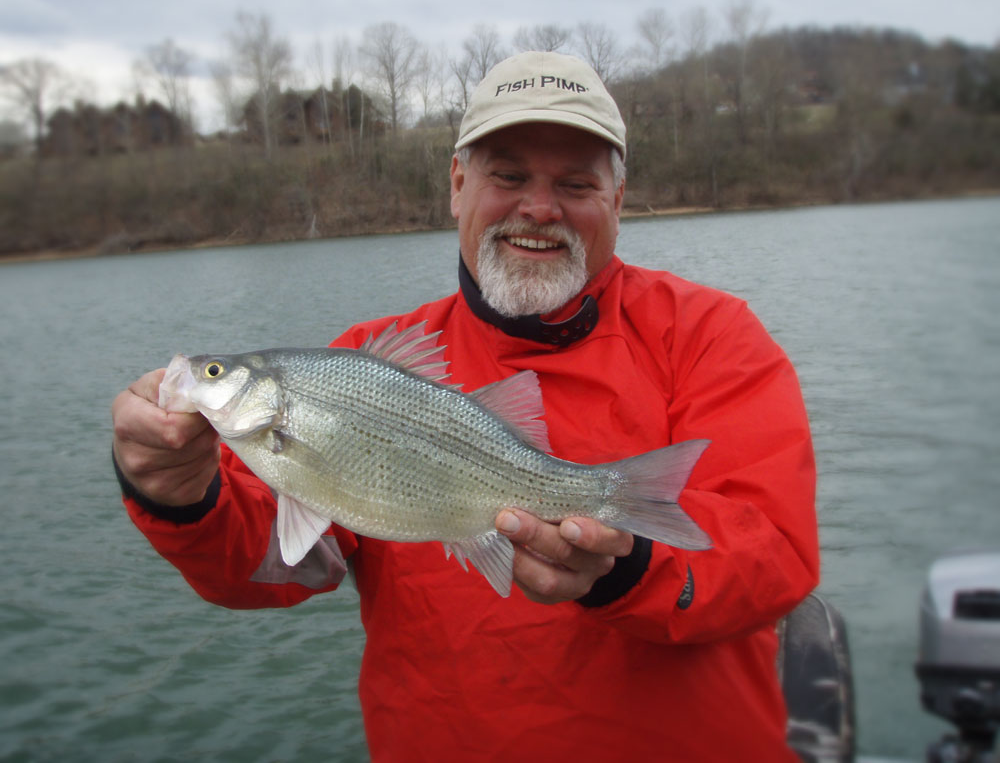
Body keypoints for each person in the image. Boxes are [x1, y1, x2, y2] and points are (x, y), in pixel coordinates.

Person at [112, 51, 819, 761]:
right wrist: (183, 498)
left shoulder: (710, 335)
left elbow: (776, 555)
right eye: (507, 176)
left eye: (576, 183)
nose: (539, 209)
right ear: (457, 184)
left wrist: (629, 568)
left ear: (618, 199)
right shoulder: (360, 362)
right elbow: (292, 560)